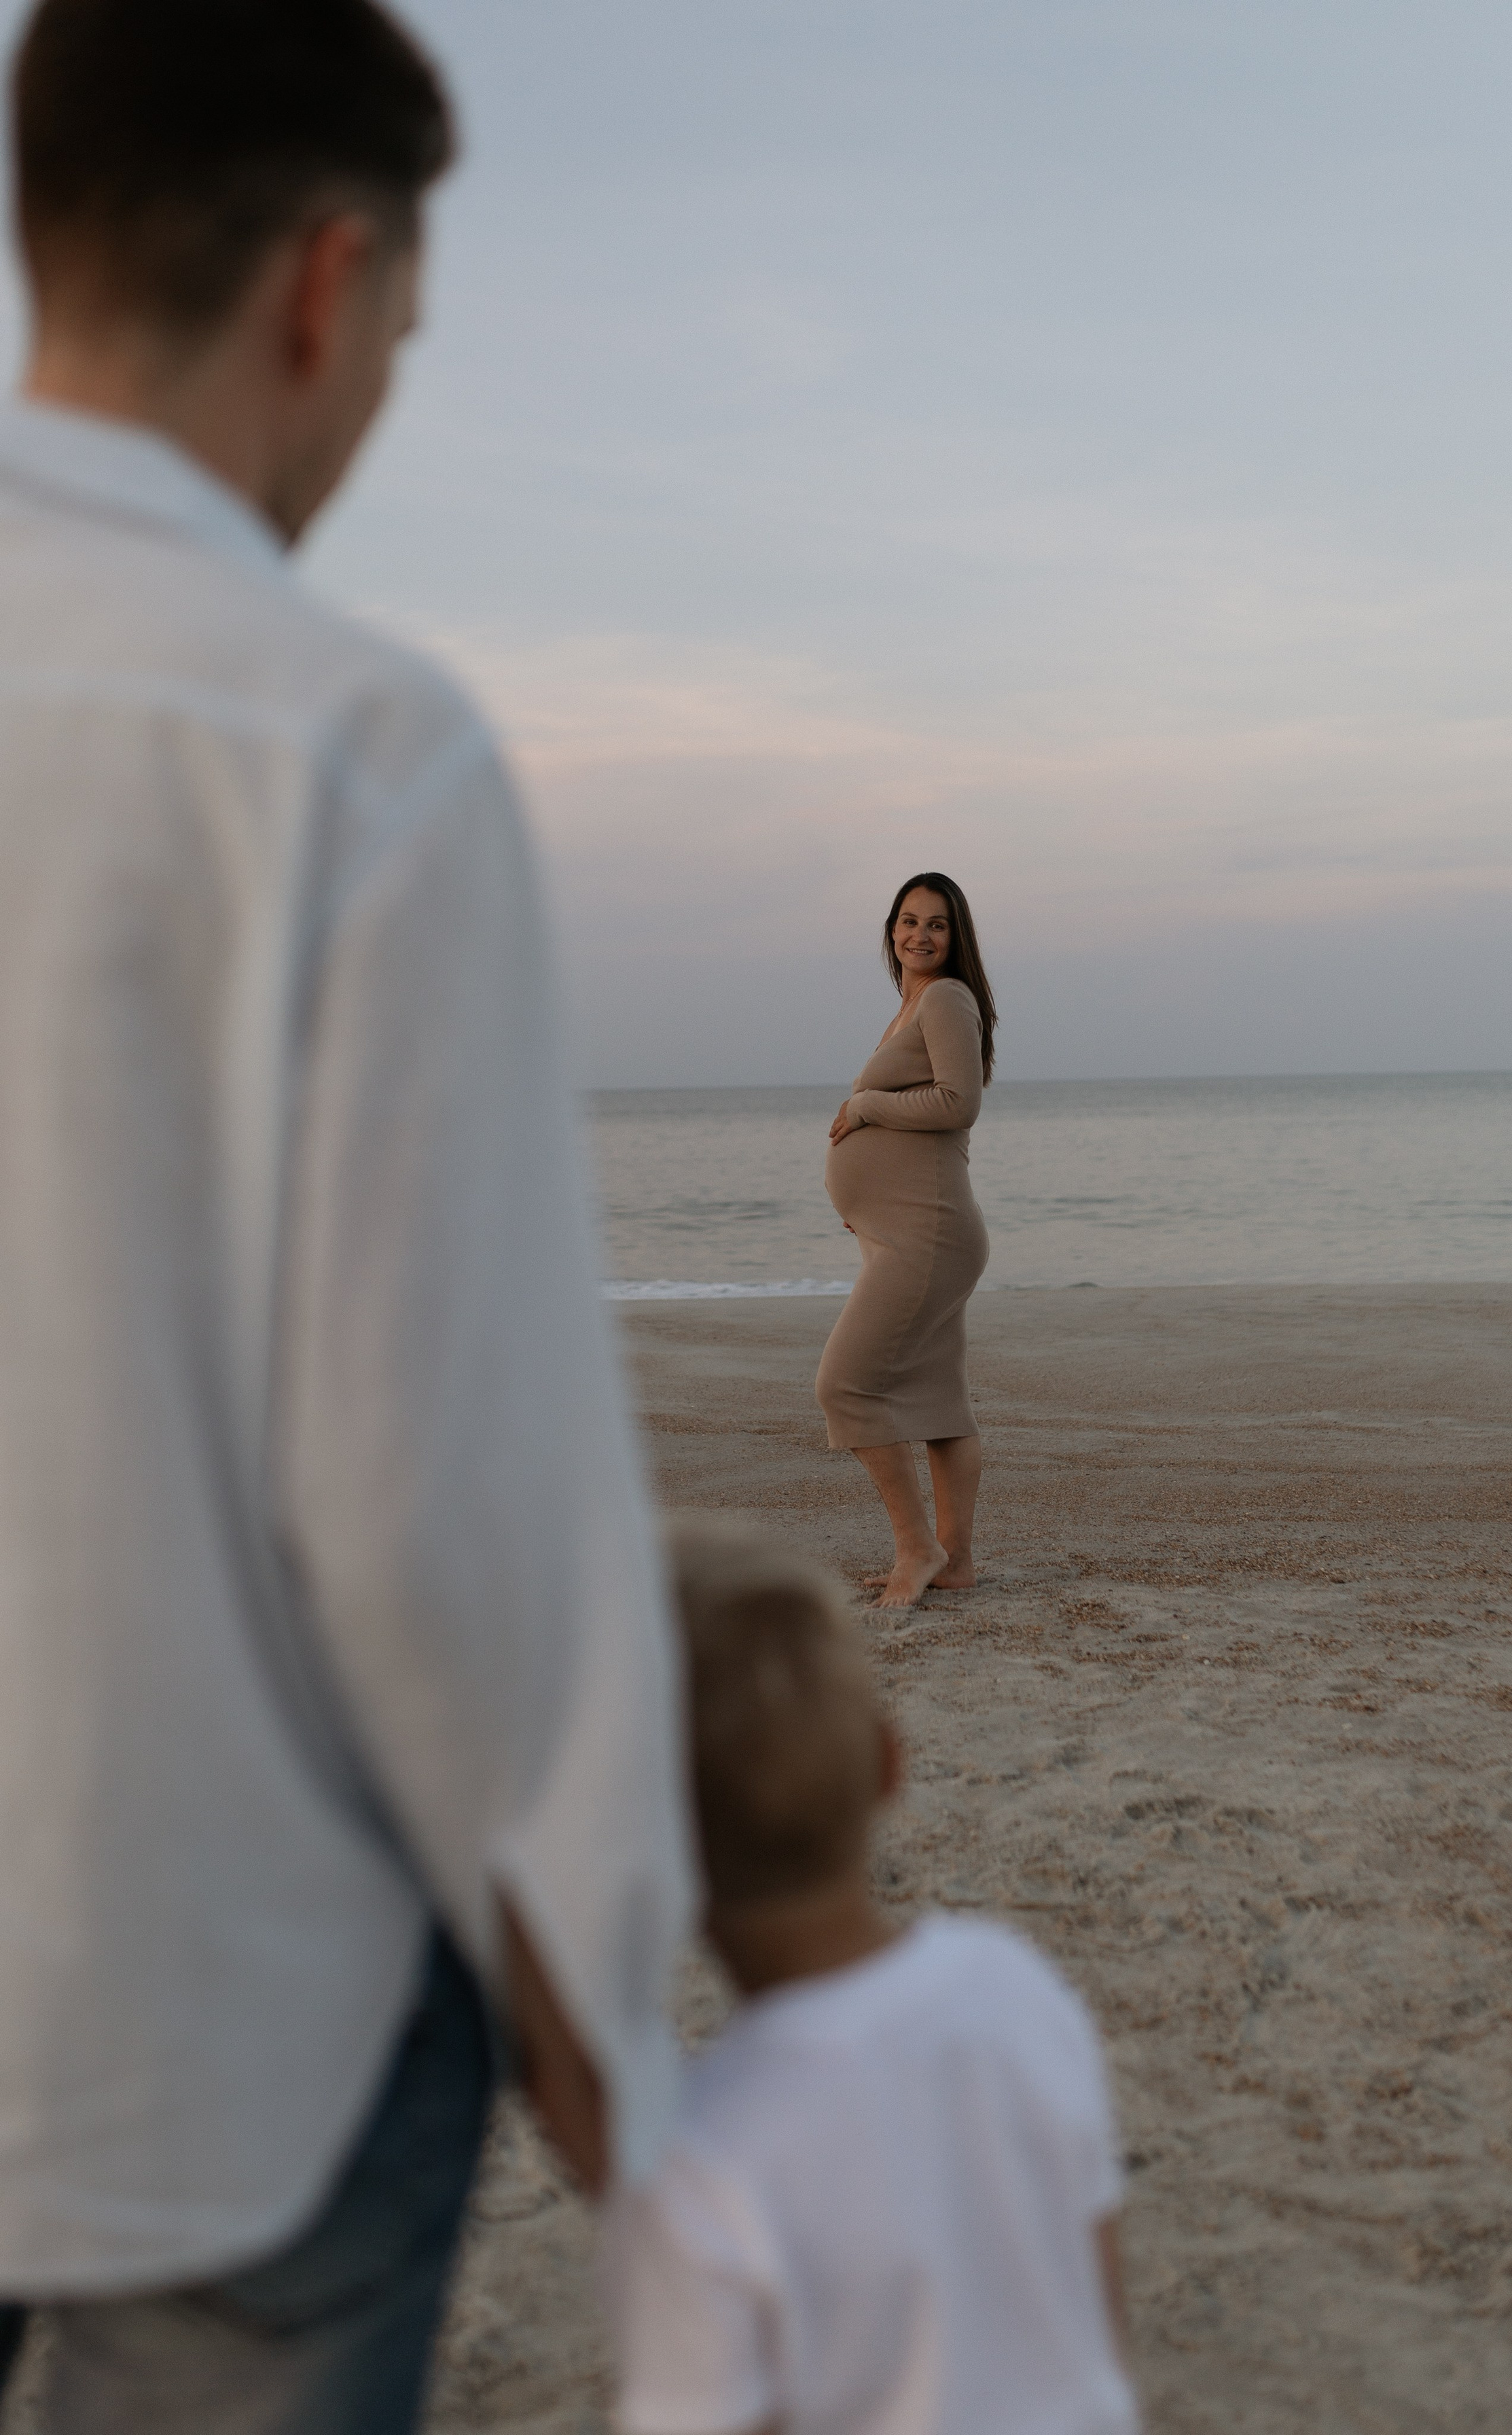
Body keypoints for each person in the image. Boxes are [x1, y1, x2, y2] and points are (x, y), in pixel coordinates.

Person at [0, 3, 689, 2428]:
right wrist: (597, 2003)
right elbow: (434, 1514)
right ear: (324, 284)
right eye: (405, 321)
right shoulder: (346, 748)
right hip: (203, 1993)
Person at [608, 1518, 1140, 2435]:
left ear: (648, 1856)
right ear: (892, 1766)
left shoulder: (701, 2157)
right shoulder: (1019, 1987)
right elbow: (1097, 2312)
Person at [815, 872, 995, 1610]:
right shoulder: (911, 1005)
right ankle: (954, 1562)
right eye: (908, 919)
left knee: (844, 1384)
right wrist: (866, 1201)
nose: (919, 934)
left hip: (929, 1237)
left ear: (957, 939)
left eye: (938, 924)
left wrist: (864, 1103)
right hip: (908, 1233)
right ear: (891, 928)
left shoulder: (948, 997)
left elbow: (959, 1103)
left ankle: (918, 1547)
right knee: (939, 1403)